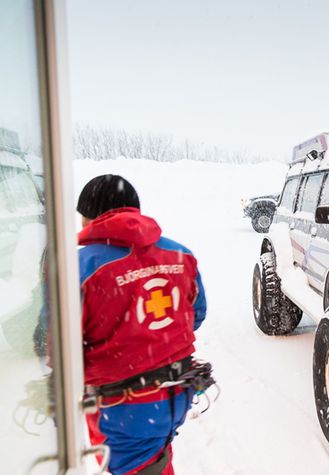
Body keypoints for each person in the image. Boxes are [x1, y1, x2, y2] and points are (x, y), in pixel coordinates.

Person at [76, 174, 207, 475]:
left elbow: (54, 343)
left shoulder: (81, 267)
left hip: (123, 409)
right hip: (175, 395)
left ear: (90, 218)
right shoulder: (180, 253)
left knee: (143, 467)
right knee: (156, 460)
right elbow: (196, 315)